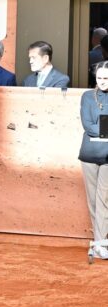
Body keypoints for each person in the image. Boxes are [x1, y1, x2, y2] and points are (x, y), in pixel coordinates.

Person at [79, 61, 108, 259]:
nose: (103, 81)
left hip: (107, 156)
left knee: (103, 199)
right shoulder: (88, 96)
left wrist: (100, 132)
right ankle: (100, 244)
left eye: (106, 78)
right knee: (92, 201)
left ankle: (100, 243)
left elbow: (94, 128)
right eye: (99, 78)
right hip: (89, 154)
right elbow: (88, 125)